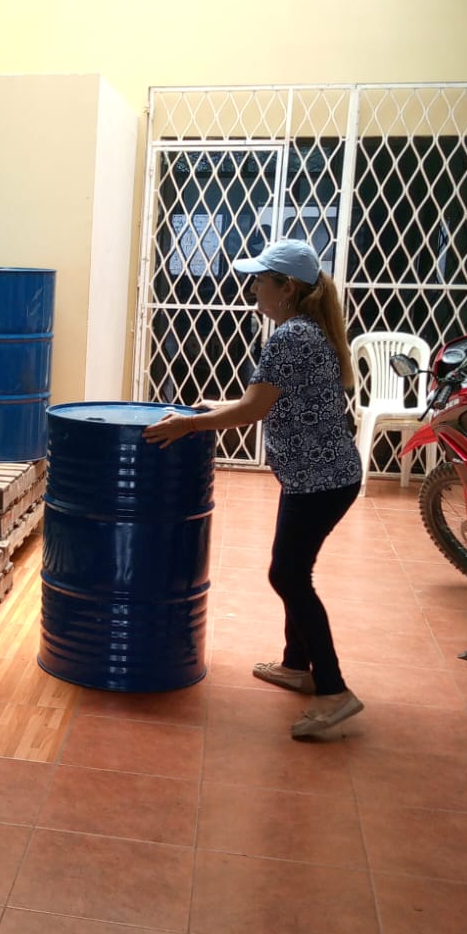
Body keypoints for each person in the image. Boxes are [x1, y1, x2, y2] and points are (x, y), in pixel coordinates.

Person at [145, 238, 364, 742]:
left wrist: (188, 424)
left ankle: (334, 690)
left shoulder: (291, 337)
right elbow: (267, 399)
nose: (253, 289)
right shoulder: (307, 330)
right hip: (320, 475)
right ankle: (297, 665)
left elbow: (254, 409)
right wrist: (213, 408)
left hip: (319, 480)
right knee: (294, 569)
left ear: (287, 288)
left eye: (261, 280)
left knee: (288, 574)